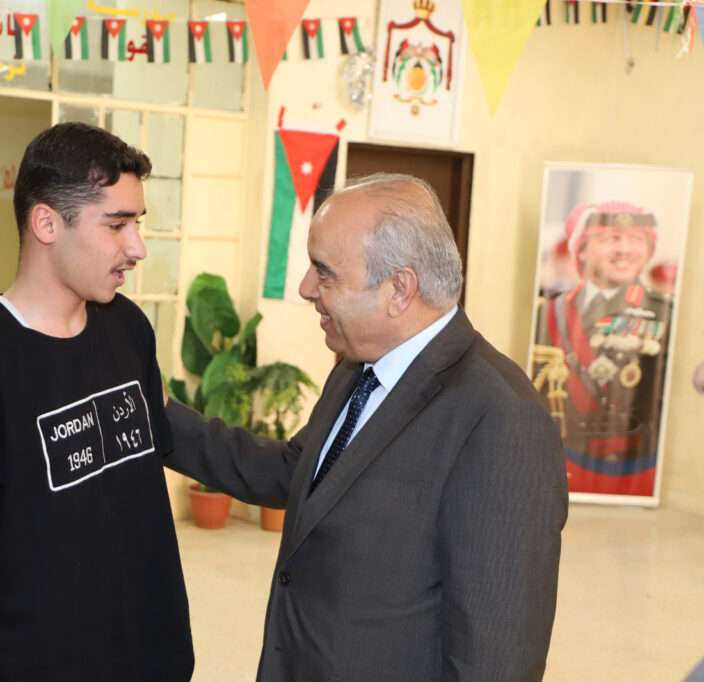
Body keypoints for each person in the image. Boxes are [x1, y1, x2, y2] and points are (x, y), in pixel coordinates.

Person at [165, 173, 568, 681]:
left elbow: (496, 659)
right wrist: (157, 416)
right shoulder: (359, 366)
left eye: (324, 273)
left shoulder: (500, 419)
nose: (305, 289)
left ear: (398, 289)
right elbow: (298, 473)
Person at [0, 123, 193, 681]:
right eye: (116, 225)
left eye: (137, 224)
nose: (137, 247)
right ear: (46, 223)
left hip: (156, 660)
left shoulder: (128, 329)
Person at [533, 201, 673, 496]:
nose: (625, 250)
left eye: (637, 239)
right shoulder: (547, 314)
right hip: (555, 466)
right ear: (582, 249)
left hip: (632, 471)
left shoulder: (665, 314)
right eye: (611, 238)